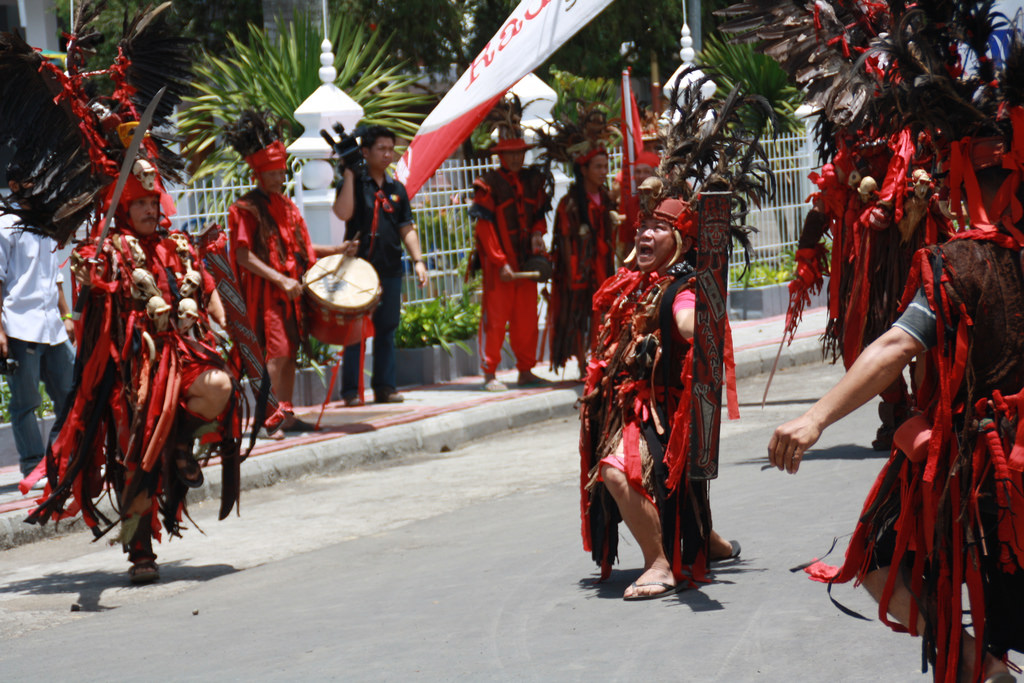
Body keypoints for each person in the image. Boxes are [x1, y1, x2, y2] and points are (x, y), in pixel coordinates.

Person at [226, 111, 354, 433]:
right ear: (259, 172)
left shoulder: (288, 206)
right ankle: (269, 417)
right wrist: (280, 279)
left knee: (290, 353)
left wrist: (338, 250)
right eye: (273, 172)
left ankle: (287, 413)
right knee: (276, 353)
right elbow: (242, 256)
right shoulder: (244, 209)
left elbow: (302, 251)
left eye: (281, 171)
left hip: (292, 294)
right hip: (268, 294)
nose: (280, 177)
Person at [332, 125, 428, 405]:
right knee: (355, 330)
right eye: (381, 149)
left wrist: (419, 261)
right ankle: (351, 391)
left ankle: (385, 387)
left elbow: (406, 227)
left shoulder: (397, 189)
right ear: (365, 152)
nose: (388, 155)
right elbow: (342, 213)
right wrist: (349, 174)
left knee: (387, 328)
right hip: (358, 270)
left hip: (389, 269)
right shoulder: (354, 184)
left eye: (391, 149)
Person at [0, 164, 76, 481]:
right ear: (15, 185)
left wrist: (66, 314)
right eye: (31, 179)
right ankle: (34, 465)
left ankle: (63, 457)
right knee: (26, 402)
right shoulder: (5, 225)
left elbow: (53, 274)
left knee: (70, 393)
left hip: (53, 327)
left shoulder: (45, 222)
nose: (38, 184)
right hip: (20, 325)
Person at [469, 132, 549, 391]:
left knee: (525, 319)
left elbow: (538, 215)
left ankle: (525, 370)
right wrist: (499, 260)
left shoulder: (532, 181)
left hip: (525, 263)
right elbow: (484, 228)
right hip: (499, 267)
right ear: (500, 156)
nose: (516, 158)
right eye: (510, 153)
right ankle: (489, 373)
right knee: (495, 319)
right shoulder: (488, 184)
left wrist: (538, 234)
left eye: (519, 152)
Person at [548, 133, 615, 376]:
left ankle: (599, 357)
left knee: (602, 314)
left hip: (603, 266)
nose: (603, 172)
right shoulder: (570, 203)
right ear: (583, 169)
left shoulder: (607, 198)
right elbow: (564, 239)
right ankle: (581, 363)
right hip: (578, 269)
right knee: (577, 317)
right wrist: (572, 271)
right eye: (598, 167)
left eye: (605, 167)